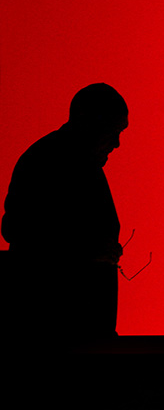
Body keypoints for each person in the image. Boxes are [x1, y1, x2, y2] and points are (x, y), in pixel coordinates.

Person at [2, 83, 129, 341]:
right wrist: (89, 252)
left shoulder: (79, 164)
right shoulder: (48, 162)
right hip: (54, 331)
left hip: (82, 331)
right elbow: (17, 229)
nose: (116, 143)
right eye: (112, 131)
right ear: (91, 123)